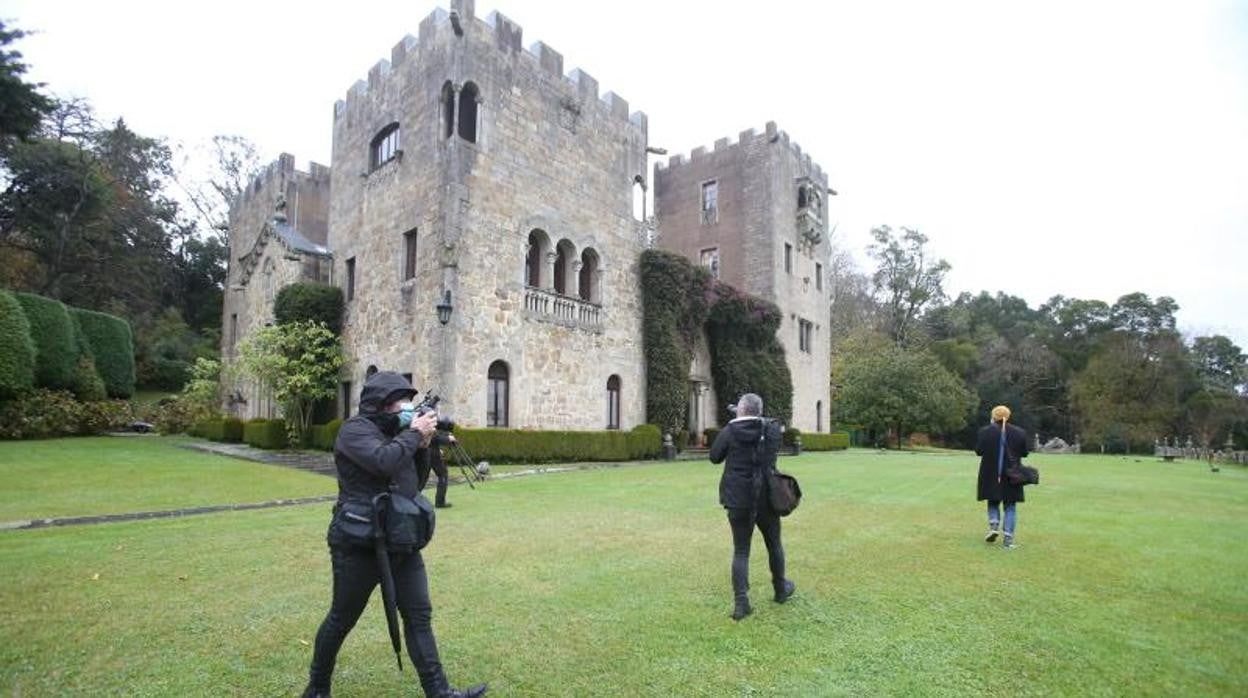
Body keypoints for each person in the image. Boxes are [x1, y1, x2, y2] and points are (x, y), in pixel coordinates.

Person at [302, 371, 487, 698]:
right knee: (342, 618)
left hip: (401, 540)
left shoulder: (403, 433)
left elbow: (412, 484)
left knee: (418, 616)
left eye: (407, 403)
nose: (405, 408)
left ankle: (439, 692)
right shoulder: (354, 430)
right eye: (398, 403)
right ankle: (317, 688)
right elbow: (382, 461)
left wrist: (423, 446)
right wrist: (414, 434)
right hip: (358, 543)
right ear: (378, 405)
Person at [708, 393, 796, 621]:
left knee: (741, 550)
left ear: (741, 410)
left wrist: (733, 424)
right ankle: (780, 590)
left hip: (739, 498)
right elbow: (767, 435)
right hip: (766, 496)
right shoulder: (772, 430)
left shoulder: (730, 431)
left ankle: (741, 604)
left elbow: (715, 456)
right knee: (774, 543)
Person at [975, 404, 1030, 550]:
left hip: (990, 472)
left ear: (993, 416)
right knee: (1010, 506)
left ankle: (994, 525)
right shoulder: (1020, 432)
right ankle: (1008, 540)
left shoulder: (985, 431)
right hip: (1012, 474)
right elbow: (1025, 453)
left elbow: (979, 451)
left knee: (993, 500)